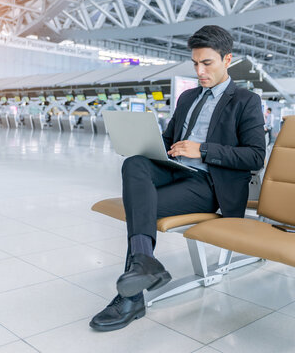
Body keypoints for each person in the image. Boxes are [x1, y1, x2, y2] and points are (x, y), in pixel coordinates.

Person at [89, 25, 266, 332]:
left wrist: (204, 150)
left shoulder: (246, 101)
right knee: (134, 162)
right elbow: (169, 139)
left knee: (140, 205)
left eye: (207, 63)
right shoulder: (187, 98)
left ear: (227, 59)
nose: (199, 71)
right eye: (195, 63)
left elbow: (254, 156)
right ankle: (143, 264)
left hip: (210, 183)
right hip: (176, 170)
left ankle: (130, 298)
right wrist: (143, 141)